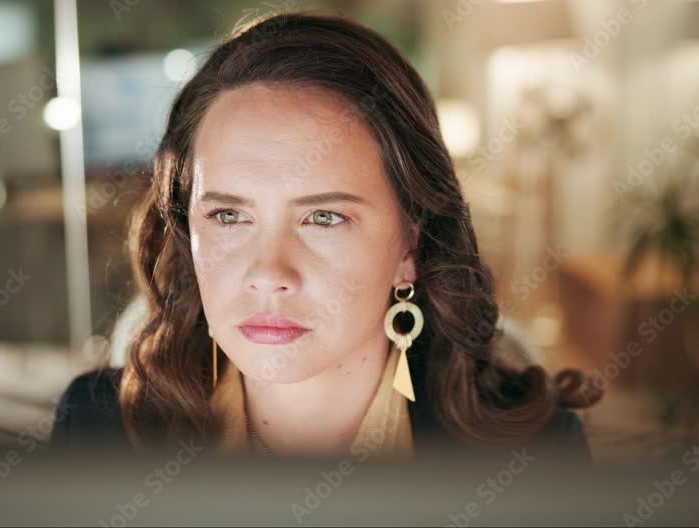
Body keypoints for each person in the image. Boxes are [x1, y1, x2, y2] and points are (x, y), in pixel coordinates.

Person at [51, 12, 601, 460]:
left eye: (323, 218)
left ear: (410, 247)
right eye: (227, 216)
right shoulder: (98, 429)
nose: (268, 273)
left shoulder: (533, 452)